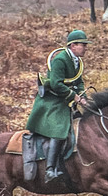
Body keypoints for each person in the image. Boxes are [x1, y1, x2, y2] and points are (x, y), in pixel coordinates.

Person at [24, 29, 93, 183]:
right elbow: (55, 84)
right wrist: (74, 96)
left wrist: (83, 97)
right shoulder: (60, 60)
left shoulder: (77, 61)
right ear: (73, 46)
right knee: (60, 128)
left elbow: (79, 81)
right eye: (83, 45)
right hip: (53, 100)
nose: (85, 48)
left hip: (66, 99)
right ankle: (50, 169)